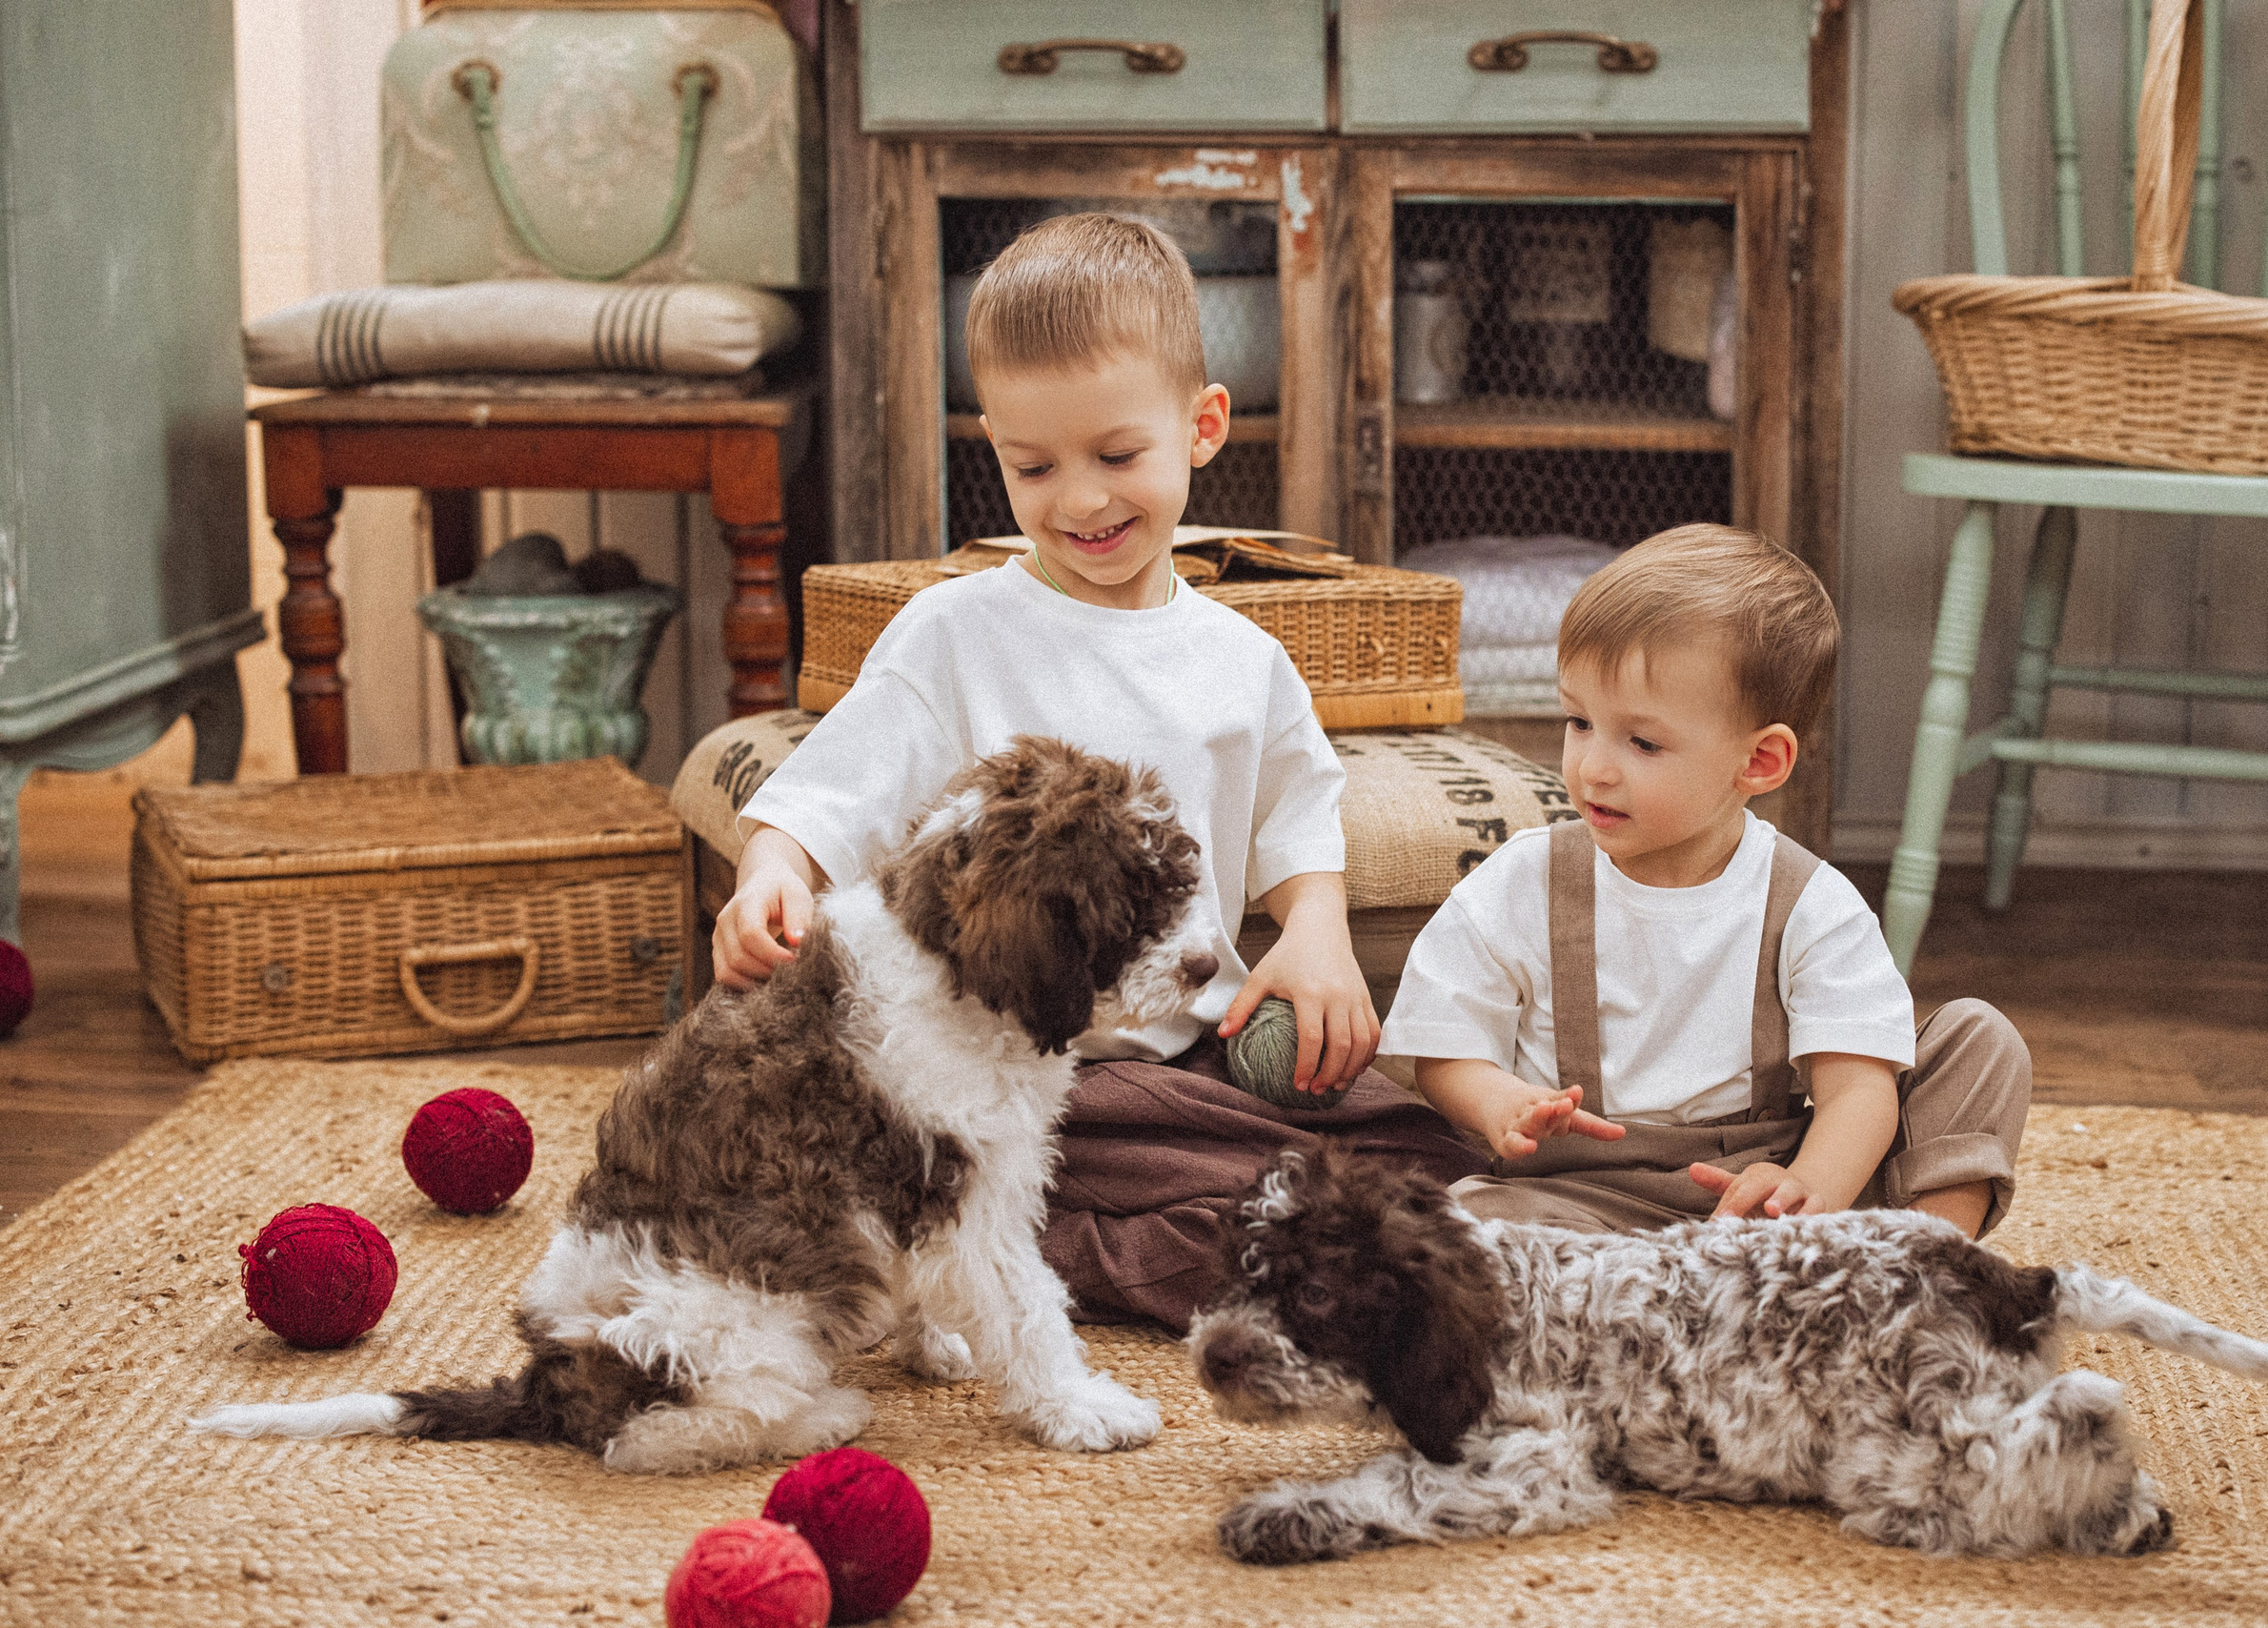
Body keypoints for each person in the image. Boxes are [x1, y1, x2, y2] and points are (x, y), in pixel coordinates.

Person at [719, 213, 1483, 1330]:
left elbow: (1298, 816)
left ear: (1202, 426)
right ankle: (991, 1244)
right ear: (994, 446)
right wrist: (768, 870)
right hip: (1016, 1070)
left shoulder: (1243, 658)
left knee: (1425, 1156)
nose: (1080, 500)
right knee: (1231, 1231)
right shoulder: (952, 635)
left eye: (1118, 457)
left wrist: (1314, 937)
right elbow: (827, 792)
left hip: (1202, 1054)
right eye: (1034, 466)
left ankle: (1153, 1224)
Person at [1382, 524, 2029, 1239]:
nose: (1593, 766)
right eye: (1579, 721)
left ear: (1758, 763)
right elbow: (1443, 1052)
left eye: (1642, 742)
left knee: (1980, 1042)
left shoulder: (1809, 903)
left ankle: (1924, 1264)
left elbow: (1857, 1094)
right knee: (1455, 1223)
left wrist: (1804, 1189)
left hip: (1765, 1197)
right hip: (1578, 1198)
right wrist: (1498, 1101)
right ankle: (1697, 1293)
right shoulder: (1519, 883)